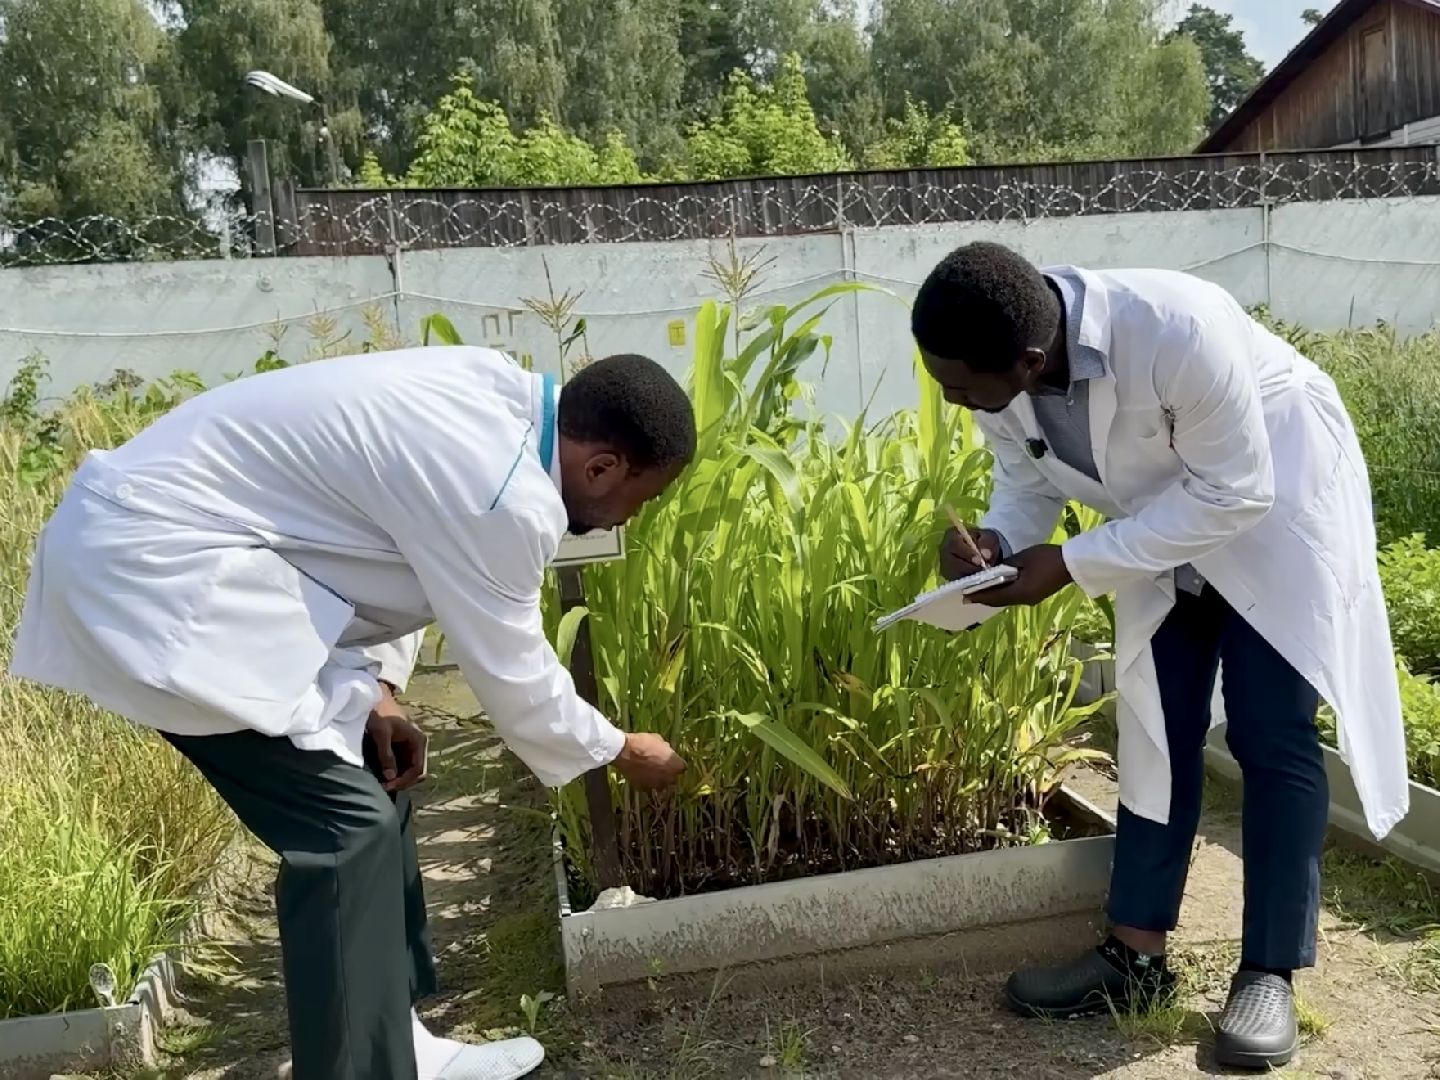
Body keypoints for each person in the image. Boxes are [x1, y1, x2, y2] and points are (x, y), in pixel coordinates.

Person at [10, 345, 696, 1080]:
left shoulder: (493, 400)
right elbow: (516, 673)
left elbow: (385, 536)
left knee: (379, 774)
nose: (636, 515)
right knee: (344, 830)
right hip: (156, 579)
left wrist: (380, 691)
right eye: (642, 497)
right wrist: (622, 748)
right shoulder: (504, 493)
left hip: (223, 561)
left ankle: (395, 1045)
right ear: (600, 468)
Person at [910, 242, 1408, 1071]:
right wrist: (1001, 543)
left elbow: (1237, 491)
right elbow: (1027, 479)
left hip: (1275, 504)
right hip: (1156, 528)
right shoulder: (1005, 366)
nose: (955, 400)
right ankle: (1135, 960)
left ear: (1030, 361)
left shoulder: (1178, 326)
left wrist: (1068, 564)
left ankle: (1268, 973)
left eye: (962, 387)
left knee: (1269, 728)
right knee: (1152, 718)